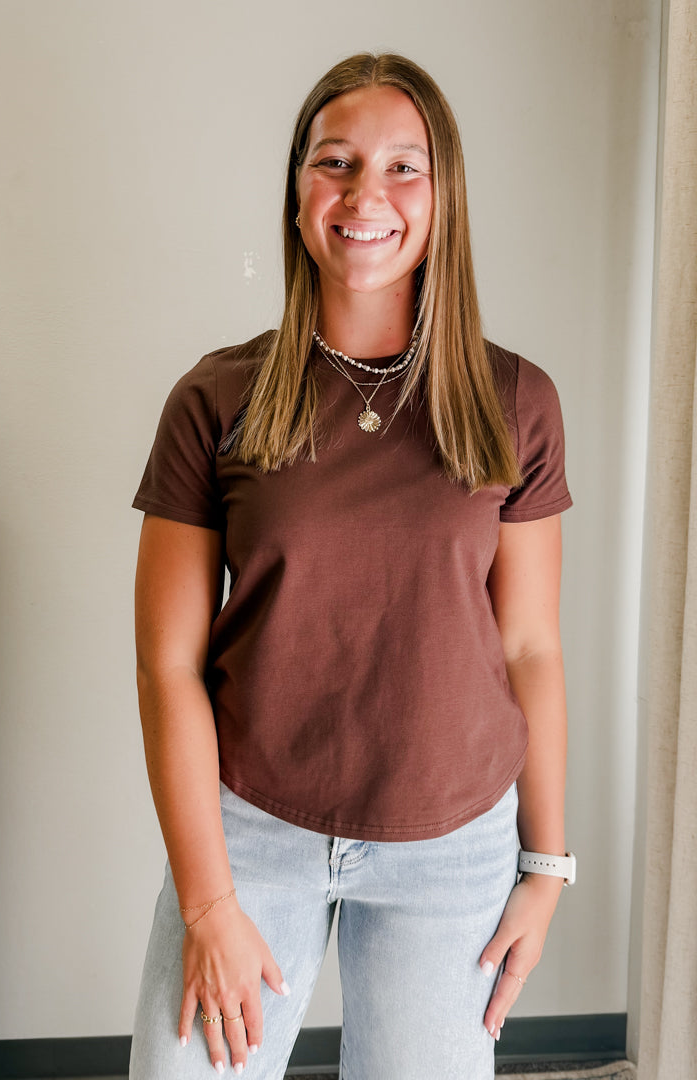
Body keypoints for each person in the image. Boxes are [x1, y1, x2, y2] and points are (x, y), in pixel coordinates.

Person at [129, 52, 574, 1080]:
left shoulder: (516, 401)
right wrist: (207, 900)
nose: (366, 194)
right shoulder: (217, 398)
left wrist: (546, 870)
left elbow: (533, 646)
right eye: (336, 162)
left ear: (444, 196)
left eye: (403, 168)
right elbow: (166, 669)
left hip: (452, 847)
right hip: (250, 837)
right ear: (297, 196)